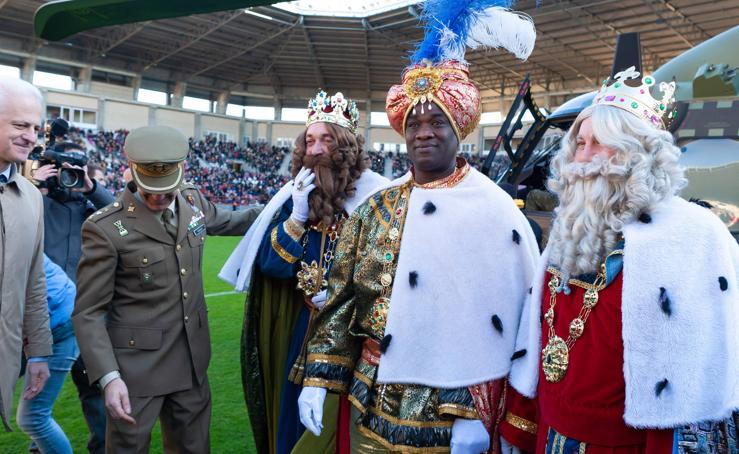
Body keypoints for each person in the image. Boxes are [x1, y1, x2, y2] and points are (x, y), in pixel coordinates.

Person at [296, 3, 539, 450]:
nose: (424, 132)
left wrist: (476, 411)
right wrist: (318, 378)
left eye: (436, 122)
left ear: (459, 129)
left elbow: (515, 321)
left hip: (449, 416)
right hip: (370, 397)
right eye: (415, 124)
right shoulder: (378, 208)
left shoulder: (496, 211)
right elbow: (343, 300)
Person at [503, 66, 739, 453]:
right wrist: (521, 430)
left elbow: (692, 388)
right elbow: (540, 341)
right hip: (550, 436)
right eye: (581, 143)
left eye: (603, 144)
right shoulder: (570, 228)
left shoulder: (693, 236)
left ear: (641, 154)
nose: (586, 157)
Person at [72, 125, 262, 452]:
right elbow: (88, 313)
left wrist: (286, 205)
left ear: (182, 171)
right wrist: (109, 377)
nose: (160, 197)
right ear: (131, 169)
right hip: (134, 373)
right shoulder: (105, 229)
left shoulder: (191, 201)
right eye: (150, 190)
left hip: (191, 364)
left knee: (194, 449)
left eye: (167, 189)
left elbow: (233, 221)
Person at [220, 90, 388, 454]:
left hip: (355, 340)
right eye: (309, 140)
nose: (315, 150)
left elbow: (391, 272)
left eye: (326, 139)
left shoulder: (377, 198)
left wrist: (350, 294)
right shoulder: (295, 196)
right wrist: (296, 217)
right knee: (293, 425)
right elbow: (270, 266)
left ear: (346, 146)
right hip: (301, 333)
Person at [33, 141, 115, 454]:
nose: (70, 177)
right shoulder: (36, 200)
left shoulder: (91, 206)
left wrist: (91, 187)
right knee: (35, 389)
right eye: (64, 170)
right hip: (43, 313)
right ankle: (38, 442)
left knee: (95, 387)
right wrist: (35, 184)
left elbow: (121, 217)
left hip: (87, 313)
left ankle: (103, 447)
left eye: (76, 171)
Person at [0, 77, 52, 432]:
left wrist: (39, 353)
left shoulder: (32, 197)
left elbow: (34, 282)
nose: (31, 137)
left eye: (36, 128)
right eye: (20, 125)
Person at [16, 255, 78, 453]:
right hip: (51, 318)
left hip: (58, 324)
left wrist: (38, 355)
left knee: (33, 418)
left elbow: (33, 297)